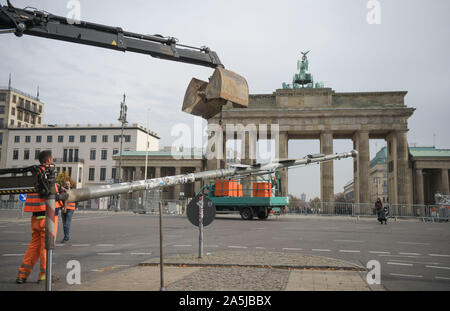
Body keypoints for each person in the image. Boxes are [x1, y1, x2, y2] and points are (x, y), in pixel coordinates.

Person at [16, 150, 67, 284]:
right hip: (48, 216)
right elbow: (53, 193)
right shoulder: (49, 171)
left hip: (35, 217)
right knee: (47, 247)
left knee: (33, 246)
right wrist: (63, 200)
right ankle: (45, 275)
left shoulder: (35, 173)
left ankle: (22, 274)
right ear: (49, 159)